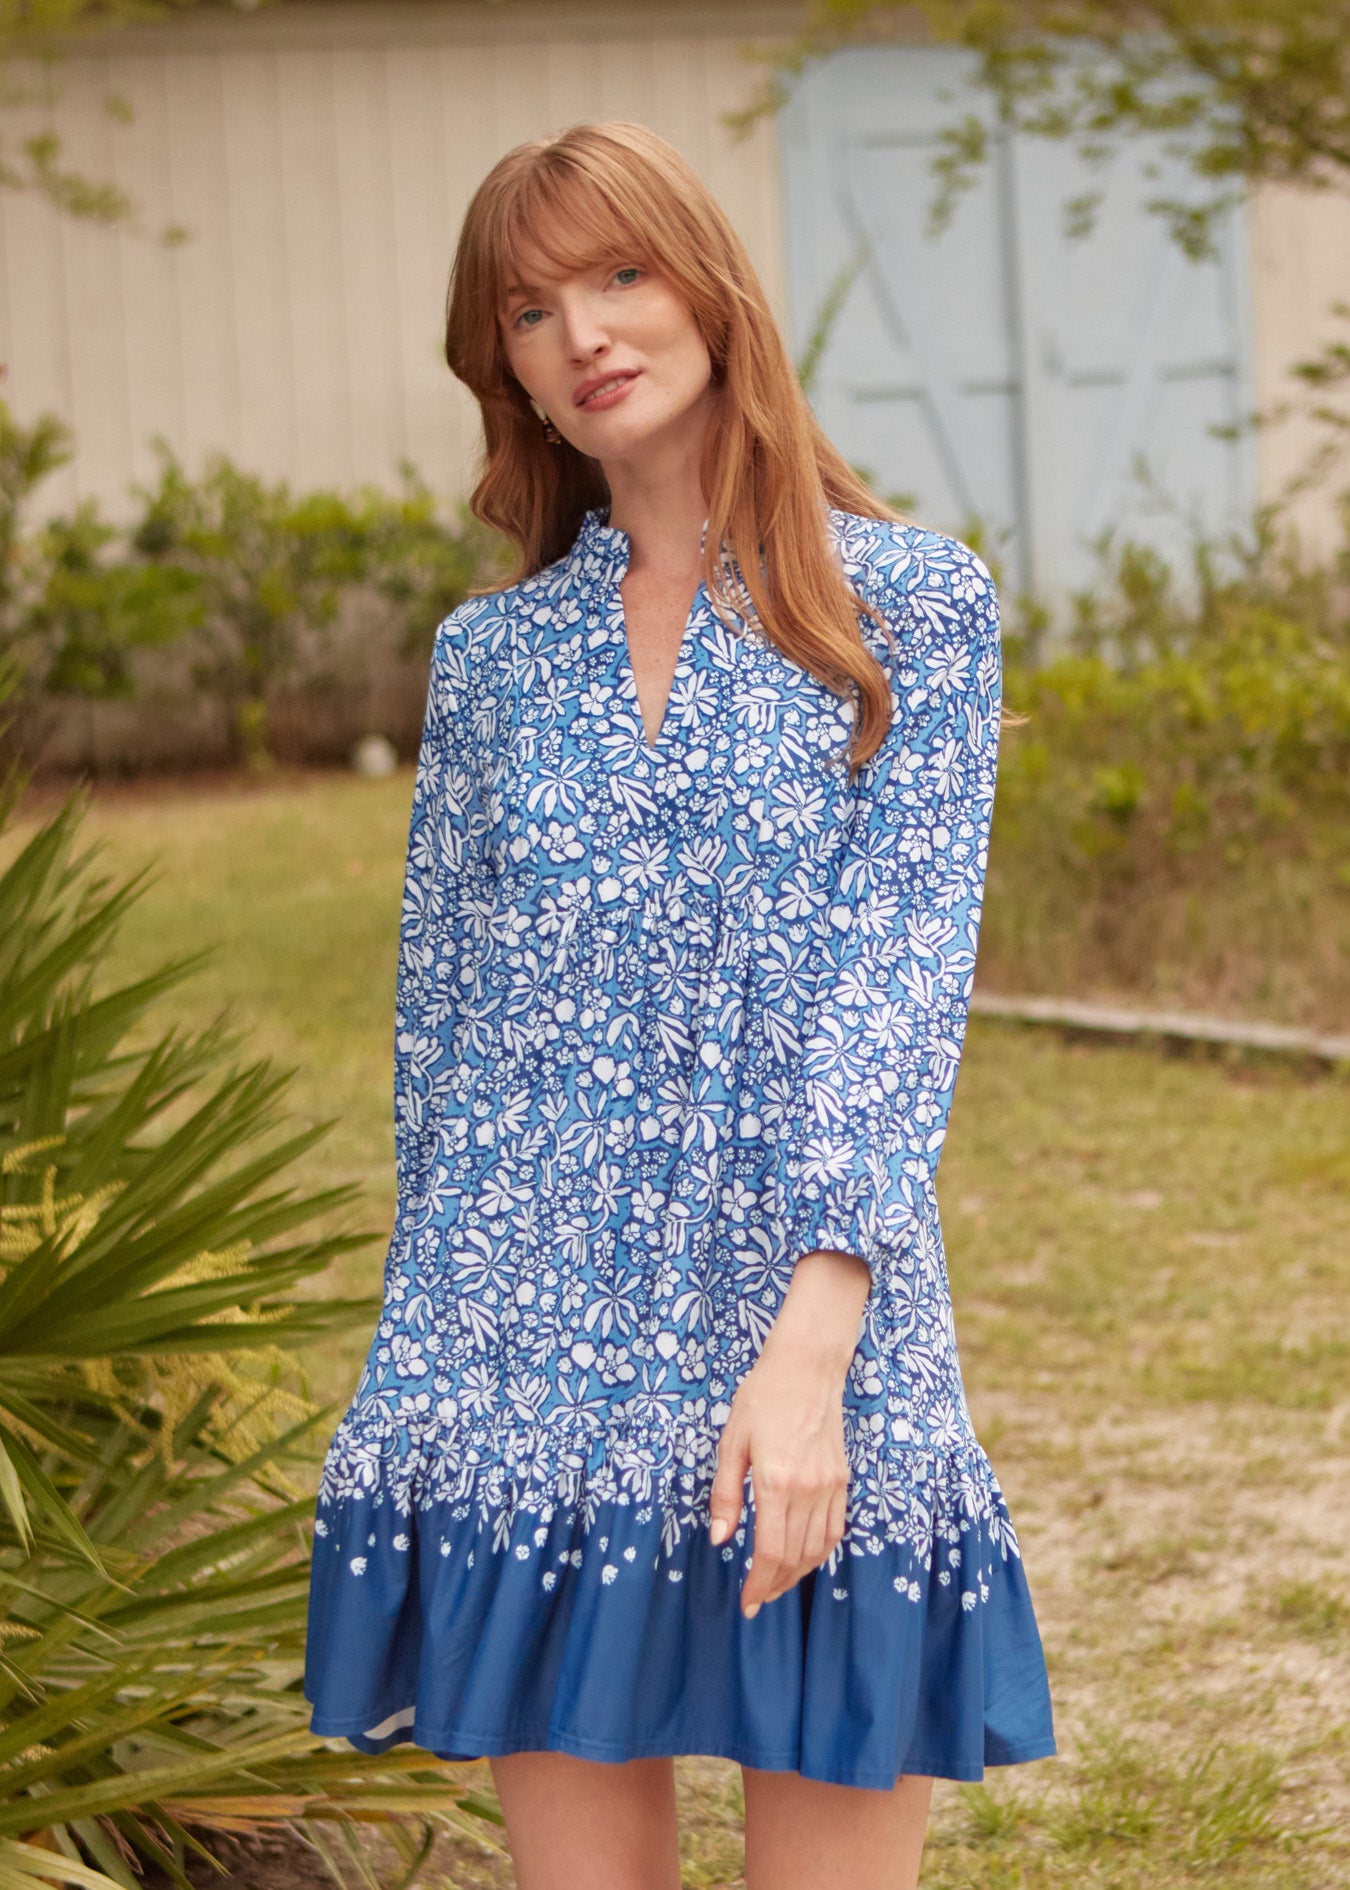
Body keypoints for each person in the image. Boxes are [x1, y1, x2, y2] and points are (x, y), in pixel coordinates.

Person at [304, 120, 1055, 1890]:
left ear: (710, 287)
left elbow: (895, 999)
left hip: (813, 1319)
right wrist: (425, 1362)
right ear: (509, 372)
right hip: (528, 1346)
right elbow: (450, 1042)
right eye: (530, 309)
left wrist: (806, 1364)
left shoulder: (914, 612)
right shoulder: (491, 664)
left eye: (619, 274)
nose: (583, 331)